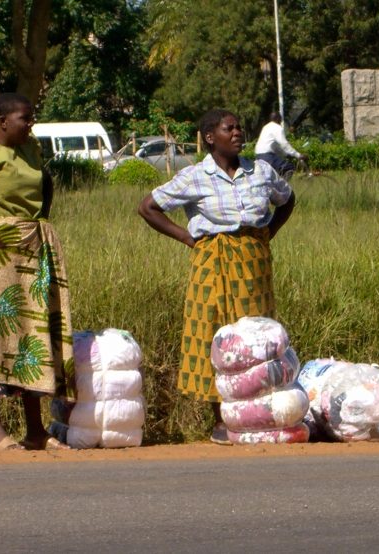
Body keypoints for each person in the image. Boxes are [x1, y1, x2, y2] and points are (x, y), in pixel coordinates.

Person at [139, 108, 295, 445]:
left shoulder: (261, 171)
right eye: (230, 128)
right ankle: (222, 419)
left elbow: (287, 199)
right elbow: (148, 207)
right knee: (217, 335)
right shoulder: (195, 176)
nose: (238, 133)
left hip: (254, 262)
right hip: (212, 261)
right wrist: (186, 237)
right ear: (211, 137)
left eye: (240, 127)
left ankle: (257, 415)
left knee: (256, 338)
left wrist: (269, 231)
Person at [0, 93, 74, 450]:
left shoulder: (30, 149)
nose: (31, 124)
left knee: (34, 335)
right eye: (24, 119)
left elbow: (44, 185)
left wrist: (39, 222)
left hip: (34, 248)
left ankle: (35, 430)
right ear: (2, 121)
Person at [255, 111, 307, 179]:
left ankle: (276, 186)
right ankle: (282, 188)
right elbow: (284, 144)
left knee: (271, 175)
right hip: (268, 156)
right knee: (289, 168)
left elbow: (276, 146)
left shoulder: (266, 127)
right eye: (280, 119)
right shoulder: (277, 128)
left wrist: (286, 155)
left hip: (259, 155)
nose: (281, 121)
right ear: (277, 119)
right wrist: (298, 155)